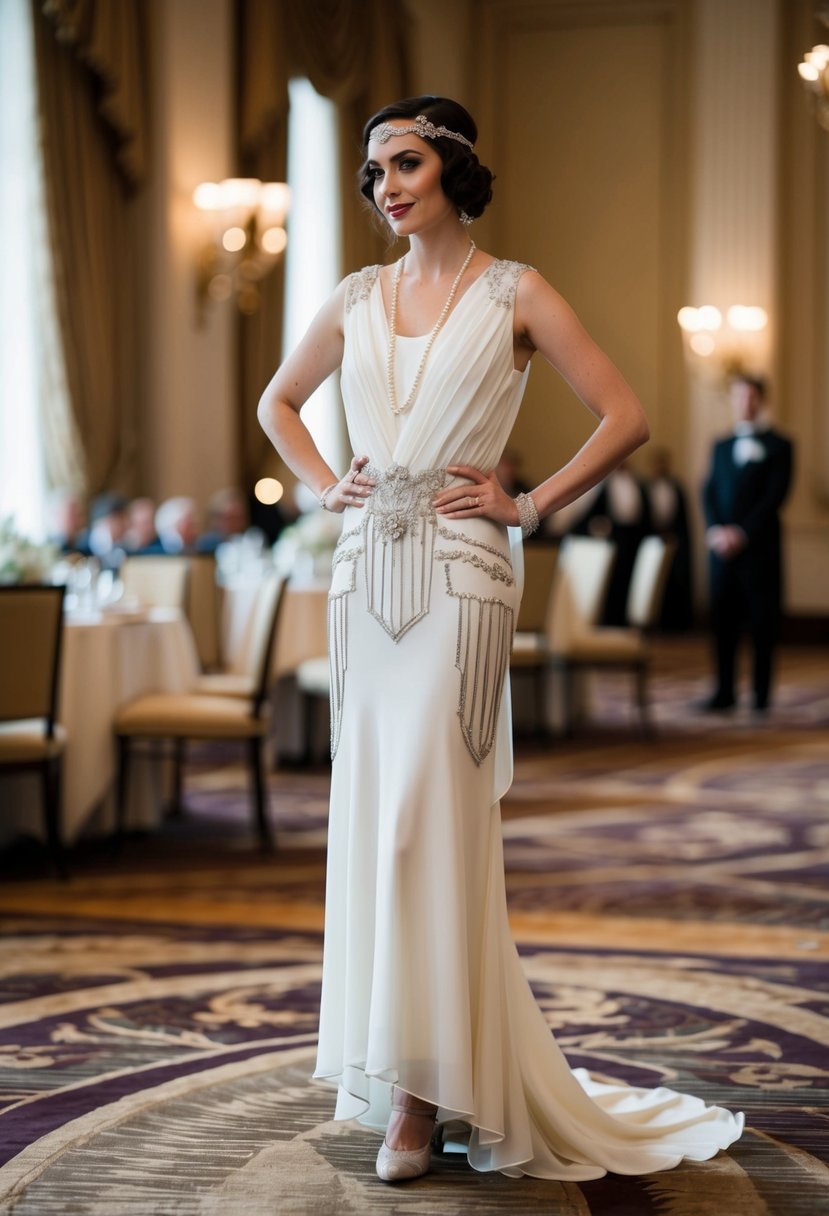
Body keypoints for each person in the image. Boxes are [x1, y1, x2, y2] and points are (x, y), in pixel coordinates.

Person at [258, 96, 742, 1184]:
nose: (385, 184)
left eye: (405, 162)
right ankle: (411, 1071)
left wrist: (529, 505)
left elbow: (623, 414)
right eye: (373, 169)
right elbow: (277, 402)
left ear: (453, 171)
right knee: (378, 823)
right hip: (363, 581)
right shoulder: (352, 297)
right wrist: (324, 481)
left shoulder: (517, 291)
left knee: (427, 830)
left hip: (464, 580)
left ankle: (423, 1101)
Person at [700, 373, 793, 713]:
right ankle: (723, 692)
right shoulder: (720, 445)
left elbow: (775, 498)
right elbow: (708, 490)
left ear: (761, 401)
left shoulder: (781, 446)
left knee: (762, 624)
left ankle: (761, 696)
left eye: (752, 397)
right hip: (721, 552)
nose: (745, 403)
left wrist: (741, 533)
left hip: (760, 550)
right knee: (722, 623)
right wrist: (715, 530)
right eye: (740, 397)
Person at [574, 459, 653, 625]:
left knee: (631, 581)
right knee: (612, 581)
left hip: (634, 540)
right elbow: (591, 516)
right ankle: (609, 620)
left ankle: (627, 620)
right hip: (613, 540)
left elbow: (646, 515)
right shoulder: (604, 485)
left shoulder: (639, 484)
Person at [646, 447, 693, 631]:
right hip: (653, 540)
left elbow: (683, 518)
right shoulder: (647, 487)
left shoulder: (677, 487)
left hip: (674, 539)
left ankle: (676, 623)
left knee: (676, 582)